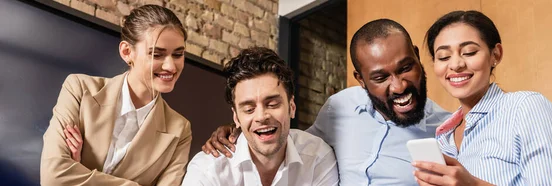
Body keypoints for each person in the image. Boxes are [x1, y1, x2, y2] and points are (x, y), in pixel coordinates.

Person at [202, 19, 452, 185]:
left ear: (418, 58)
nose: (399, 86)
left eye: (406, 68)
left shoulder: (448, 132)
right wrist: (239, 132)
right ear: (361, 80)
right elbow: (289, 143)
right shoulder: (339, 107)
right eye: (380, 77)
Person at [412, 10, 552, 185]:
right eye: (443, 56)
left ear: (495, 54)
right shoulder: (444, 136)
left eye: (469, 52)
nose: (456, 64)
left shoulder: (526, 108)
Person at [40, 5, 192, 185]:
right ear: (127, 52)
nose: (171, 67)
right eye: (157, 54)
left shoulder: (180, 130)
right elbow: (54, 176)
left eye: (178, 54)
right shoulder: (80, 89)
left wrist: (78, 171)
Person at [182, 47, 338, 186]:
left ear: (291, 107)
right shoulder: (208, 169)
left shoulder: (317, 158)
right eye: (249, 109)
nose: (261, 116)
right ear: (236, 118)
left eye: (272, 104)